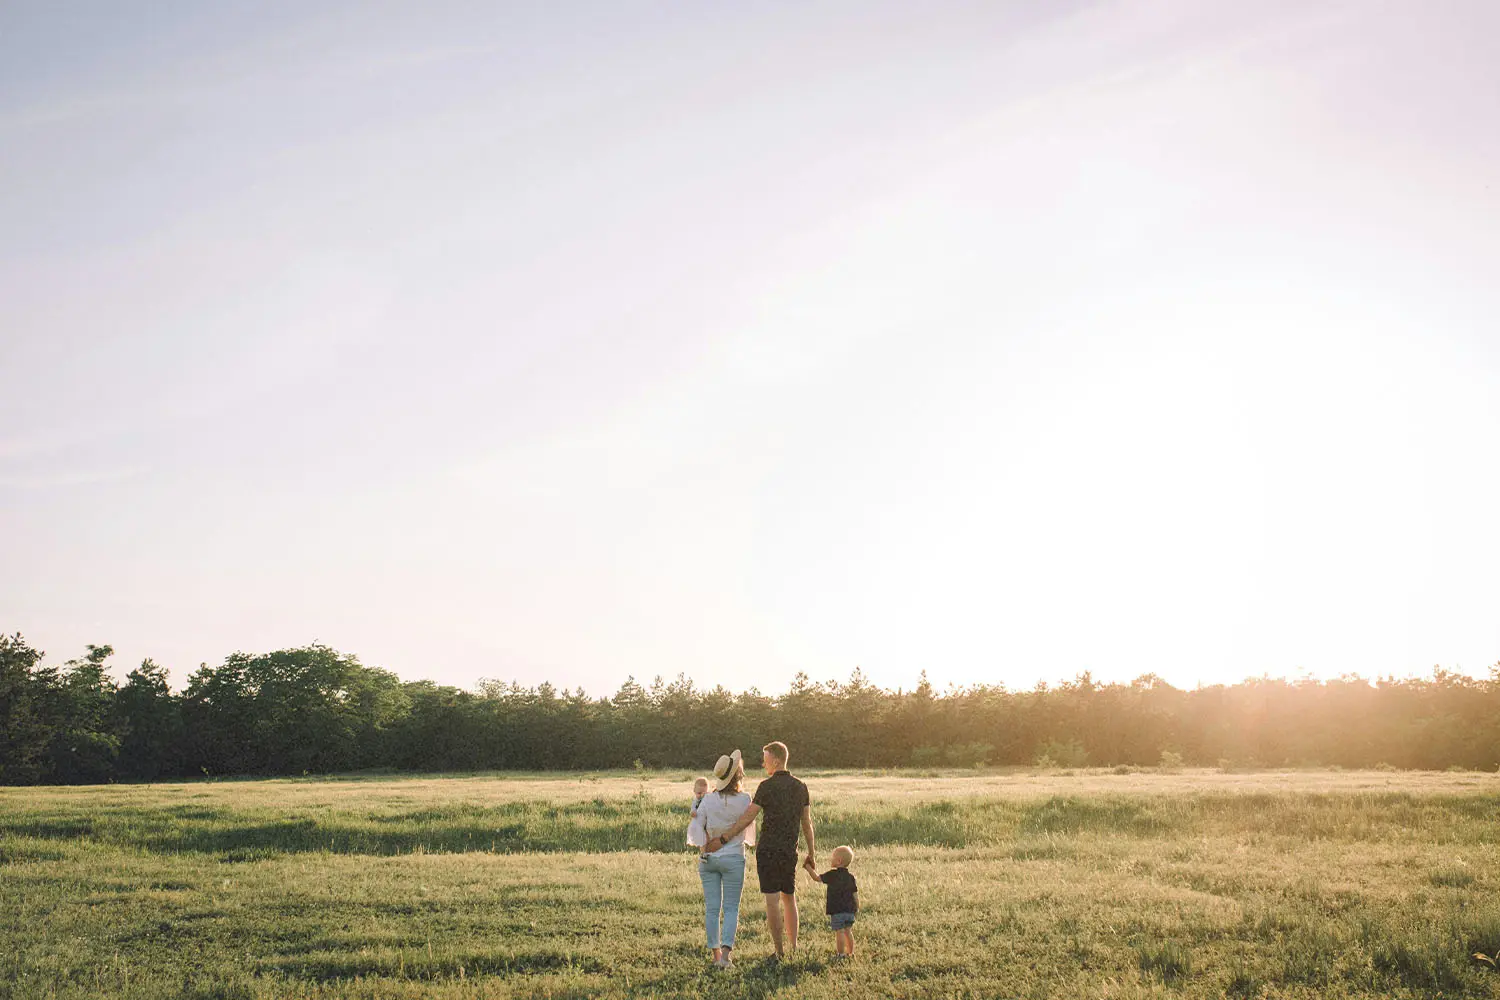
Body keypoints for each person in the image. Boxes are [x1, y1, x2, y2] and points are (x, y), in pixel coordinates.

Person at [701, 741, 814, 958]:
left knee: (772, 901)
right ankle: (794, 947)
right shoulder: (801, 786)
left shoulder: (766, 786)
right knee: (789, 898)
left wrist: (724, 838)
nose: (763, 763)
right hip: (790, 851)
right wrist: (812, 852)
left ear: (777, 761)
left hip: (768, 851)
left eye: (766, 759)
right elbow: (807, 823)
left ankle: (779, 951)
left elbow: (747, 818)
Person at [690, 750, 754, 969]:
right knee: (731, 907)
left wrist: (704, 849)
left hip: (709, 859)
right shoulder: (745, 799)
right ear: (738, 776)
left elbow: (698, 829)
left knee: (712, 908)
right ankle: (726, 958)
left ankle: (715, 956)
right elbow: (749, 832)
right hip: (734, 858)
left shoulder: (707, 800)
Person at [815, 845, 858, 959]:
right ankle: (851, 953)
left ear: (838, 861)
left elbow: (816, 878)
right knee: (848, 931)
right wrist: (856, 908)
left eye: (833, 857)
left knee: (840, 932)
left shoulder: (832, 875)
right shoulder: (851, 877)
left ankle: (841, 954)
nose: (831, 859)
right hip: (850, 911)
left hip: (837, 911)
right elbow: (855, 895)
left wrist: (808, 868)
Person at [685, 776, 709, 847]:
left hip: (708, 822)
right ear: (694, 791)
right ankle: (703, 853)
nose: (702, 795)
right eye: (699, 793)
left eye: (704, 793)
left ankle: (709, 851)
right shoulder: (696, 801)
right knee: (702, 840)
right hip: (699, 823)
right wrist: (693, 812)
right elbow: (693, 809)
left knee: (709, 838)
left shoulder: (708, 799)